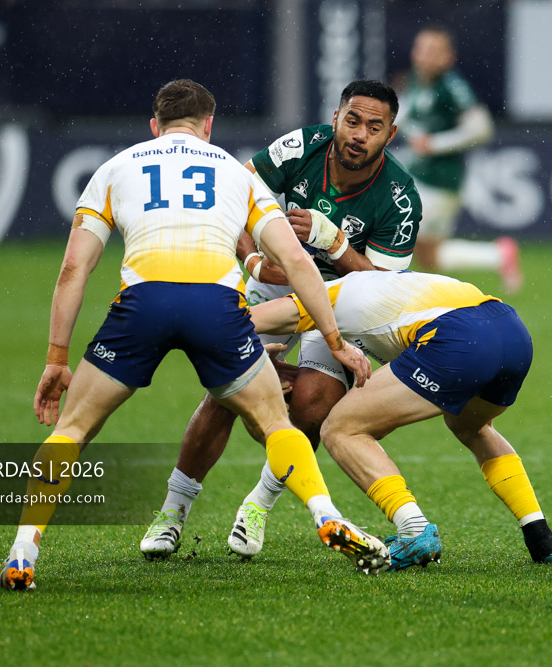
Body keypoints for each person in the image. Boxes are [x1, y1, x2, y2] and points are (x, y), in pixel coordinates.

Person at [0, 79, 388, 591]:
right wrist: (335, 341)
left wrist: (55, 358)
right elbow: (295, 259)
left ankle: (23, 550)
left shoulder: (116, 168)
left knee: (71, 430)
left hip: (143, 305)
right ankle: (324, 514)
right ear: (209, 125)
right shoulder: (232, 170)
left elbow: (74, 269)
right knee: (276, 423)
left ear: (154, 125)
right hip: (216, 306)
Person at [140, 79, 423, 561]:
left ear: (389, 135)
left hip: (341, 301)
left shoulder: (400, 199)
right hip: (275, 281)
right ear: (336, 118)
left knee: (313, 406)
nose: (359, 134)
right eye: (352, 120)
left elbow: (382, 288)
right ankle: (173, 511)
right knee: (229, 389)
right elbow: (231, 200)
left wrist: (336, 245)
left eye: (373, 127)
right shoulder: (301, 147)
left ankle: (258, 504)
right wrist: (252, 262)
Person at [249, 269, 552, 570]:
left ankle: (413, 529)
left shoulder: (322, 296)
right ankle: (541, 538)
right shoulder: (379, 282)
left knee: (342, 429)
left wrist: (255, 360)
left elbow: (247, 321)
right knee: (472, 426)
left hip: (458, 338)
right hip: (512, 331)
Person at [399, 25, 522, 293]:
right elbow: (410, 113)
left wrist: (435, 144)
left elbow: (482, 129)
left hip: (439, 180)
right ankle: (499, 256)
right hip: (421, 174)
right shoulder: (419, 79)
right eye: (420, 49)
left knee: (395, 235)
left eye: (433, 52)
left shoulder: (453, 87)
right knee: (429, 256)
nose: (424, 57)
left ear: (448, 58)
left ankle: (380, 300)